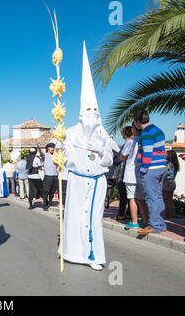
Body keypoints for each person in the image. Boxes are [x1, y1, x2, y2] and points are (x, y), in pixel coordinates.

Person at [59, 43, 113, 271]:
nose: (92, 115)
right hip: (78, 180)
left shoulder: (103, 135)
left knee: (93, 218)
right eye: (87, 111)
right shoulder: (70, 132)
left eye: (95, 112)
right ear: (81, 113)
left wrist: (101, 153)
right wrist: (62, 150)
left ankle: (93, 255)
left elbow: (109, 160)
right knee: (73, 216)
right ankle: (72, 251)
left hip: (97, 182)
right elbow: (65, 158)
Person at [134, 110, 168, 235]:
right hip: (162, 167)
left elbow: (147, 153)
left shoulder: (146, 133)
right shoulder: (158, 130)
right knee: (158, 197)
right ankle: (161, 224)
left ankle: (154, 226)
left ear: (137, 121)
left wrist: (143, 170)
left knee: (151, 198)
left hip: (151, 169)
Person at [120, 125, 143, 228]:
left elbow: (123, 156)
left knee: (132, 198)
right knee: (141, 198)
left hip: (130, 173)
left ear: (134, 129)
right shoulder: (144, 140)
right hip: (142, 172)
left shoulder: (130, 142)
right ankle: (145, 219)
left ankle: (134, 222)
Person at [163, 150, 179, 219]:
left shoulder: (169, 164)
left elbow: (164, 173)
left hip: (167, 182)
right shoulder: (175, 164)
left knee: (165, 199)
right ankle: (172, 215)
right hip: (173, 182)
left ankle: (167, 215)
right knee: (170, 200)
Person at [41, 142, 58, 208]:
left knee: (53, 190)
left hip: (55, 175)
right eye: (51, 147)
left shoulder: (56, 156)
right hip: (48, 175)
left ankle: (50, 201)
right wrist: (39, 147)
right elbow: (41, 153)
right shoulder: (44, 155)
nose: (52, 149)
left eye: (53, 147)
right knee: (46, 190)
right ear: (48, 148)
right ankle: (45, 202)